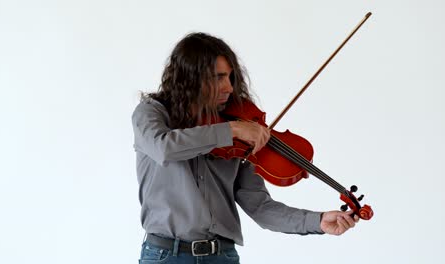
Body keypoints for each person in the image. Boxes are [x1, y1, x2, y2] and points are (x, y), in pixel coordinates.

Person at [132, 32, 359, 264]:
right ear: (190, 78)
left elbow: (260, 206)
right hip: (166, 256)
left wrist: (317, 221)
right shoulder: (151, 113)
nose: (229, 88)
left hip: (222, 257)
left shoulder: (240, 134)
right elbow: (163, 148)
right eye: (218, 77)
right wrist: (230, 130)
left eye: (230, 77)